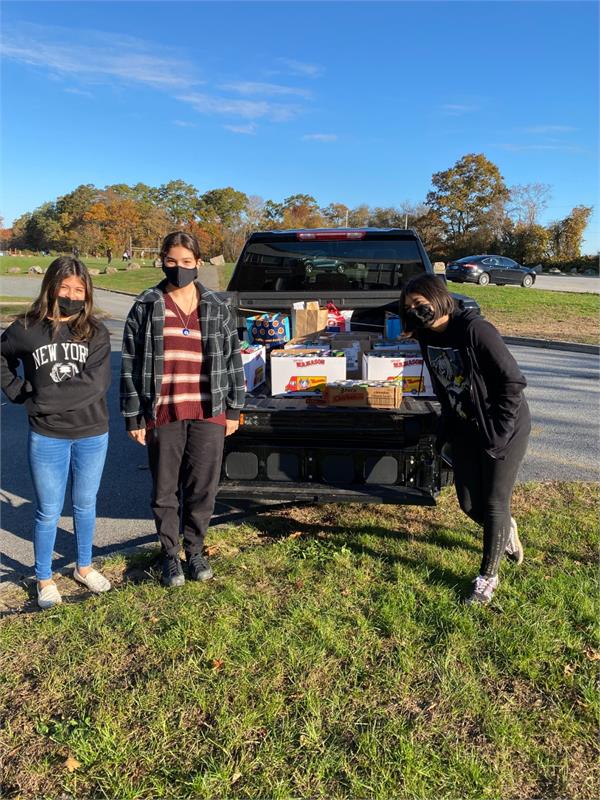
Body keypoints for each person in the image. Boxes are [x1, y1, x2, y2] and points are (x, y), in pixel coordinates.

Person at [121, 231, 245, 587]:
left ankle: (195, 551)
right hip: (164, 412)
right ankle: (169, 555)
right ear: (162, 260)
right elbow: (130, 364)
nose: (179, 269)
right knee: (164, 490)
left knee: (202, 488)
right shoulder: (147, 305)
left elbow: (233, 360)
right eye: (172, 262)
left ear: (199, 264)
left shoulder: (217, 307)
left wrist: (234, 409)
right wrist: (134, 415)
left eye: (187, 263)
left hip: (209, 411)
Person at [398, 274, 530, 605]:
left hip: (503, 426)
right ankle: (504, 529)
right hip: (465, 426)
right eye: (409, 307)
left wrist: (501, 429)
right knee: (469, 503)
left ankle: (488, 577)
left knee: (494, 501)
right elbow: (444, 384)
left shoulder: (474, 329)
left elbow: (512, 380)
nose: (415, 311)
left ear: (439, 298)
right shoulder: (426, 337)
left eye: (420, 304)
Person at [1, 257, 112, 609]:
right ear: (50, 286)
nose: (71, 294)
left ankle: (83, 566)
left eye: (79, 289)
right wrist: (17, 390)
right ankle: (44, 577)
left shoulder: (95, 331)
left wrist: (39, 397)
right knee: (48, 510)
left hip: (92, 432)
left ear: (87, 293)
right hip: (47, 435)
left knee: (85, 504)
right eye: (65, 287)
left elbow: (94, 386)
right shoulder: (25, 328)